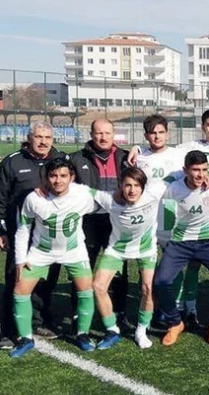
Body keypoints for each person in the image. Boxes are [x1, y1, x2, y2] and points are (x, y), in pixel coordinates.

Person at [129, 109, 209, 330]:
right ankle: (172, 309)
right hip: (172, 214)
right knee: (162, 267)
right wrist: (137, 147)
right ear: (202, 126)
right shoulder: (183, 149)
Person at [9, 158, 100, 357]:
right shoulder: (34, 198)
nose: (58, 180)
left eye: (63, 176)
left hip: (74, 251)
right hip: (41, 252)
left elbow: (108, 200)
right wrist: (20, 259)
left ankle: (82, 334)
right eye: (53, 176)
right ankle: (25, 338)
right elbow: (23, 229)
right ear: (46, 177)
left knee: (86, 289)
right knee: (20, 290)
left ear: (72, 177)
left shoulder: (82, 194)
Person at [0, 122, 66, 349]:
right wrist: (0, 230)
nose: (43, 141)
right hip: (21, 233)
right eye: (38, 137)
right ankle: (9, 331)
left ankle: (38, 321)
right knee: (16, 280)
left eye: (48, 137)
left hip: (52, 234)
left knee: (46, 281)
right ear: (29, 138)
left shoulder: (61, 160)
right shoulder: (13, 162)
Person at [153, 150, 209, 347]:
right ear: (185, 170)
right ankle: (175, 322)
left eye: (204, 170)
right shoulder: (174, 188)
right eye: (196, 170)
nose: (201, 175)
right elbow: (160, 208)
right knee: (160, 282)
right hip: (180, 242)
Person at [69, 118, 130, 327]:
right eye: (99, 133)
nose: (103, 137)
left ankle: (119, 312)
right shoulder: (76, 159)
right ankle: (79, 313)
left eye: (107, 133)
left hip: (117, 221)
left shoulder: (125, 157)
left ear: (113, 135)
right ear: (91, 134)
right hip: (88, 221)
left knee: (119, 269)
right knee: (82, 268)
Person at [92, 167, 160, 350]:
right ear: (120, 185)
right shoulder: (110, 199)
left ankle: (141, 330)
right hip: (117, 250)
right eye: (127, 185)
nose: (132, 190)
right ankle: (112, 329)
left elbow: (175, 176)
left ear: (143, 187)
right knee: (98, 286)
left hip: (146, 250)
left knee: (148, 288)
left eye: (136, 185)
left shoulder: (153, 194)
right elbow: (85, 192)